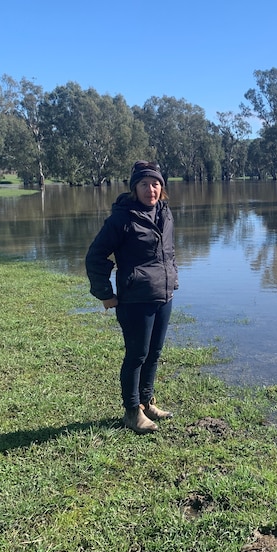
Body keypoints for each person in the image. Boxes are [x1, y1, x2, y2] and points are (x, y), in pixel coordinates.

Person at [85, 161, 179, 434]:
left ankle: (148, 403)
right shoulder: (122, 218)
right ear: (134, 187)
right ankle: (131, 411)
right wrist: (105, 294)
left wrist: (172, 277)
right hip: (135, 298)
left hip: (163, 295)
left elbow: (168, 253)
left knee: (154, 353)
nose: (151, 189)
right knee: (137, 354)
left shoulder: (165, 212)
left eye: (155, 183)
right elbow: (96, 255)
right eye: (144, 184)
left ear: (162, 187)